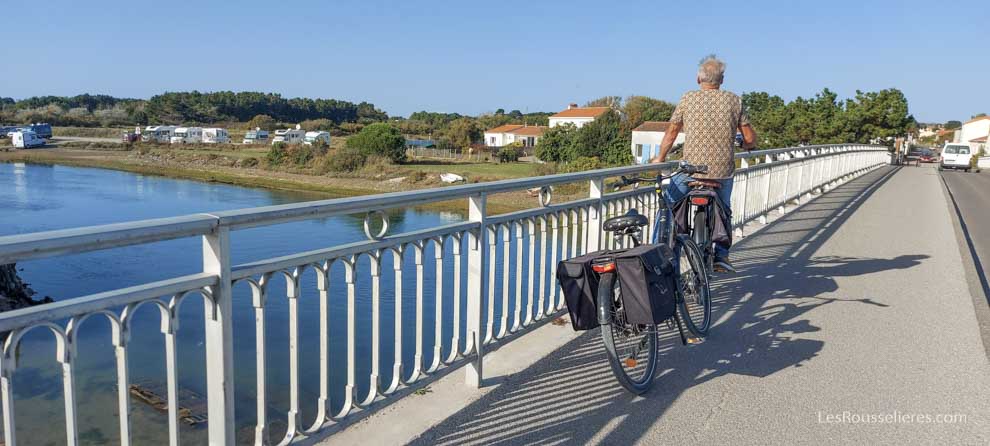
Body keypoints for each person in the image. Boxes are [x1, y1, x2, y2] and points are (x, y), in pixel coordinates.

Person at [651, 55, 757, 273]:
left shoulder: (688, 98)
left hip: (690, 170)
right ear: (722, 80)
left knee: (668, 206)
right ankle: (722, 255)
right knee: (724, 209)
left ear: (698, 78)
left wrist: (660, 157)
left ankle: (658, 254)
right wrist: (746, 145)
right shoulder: (734, 100)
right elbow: (750, 138)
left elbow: (672, 131)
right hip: (721, 171)